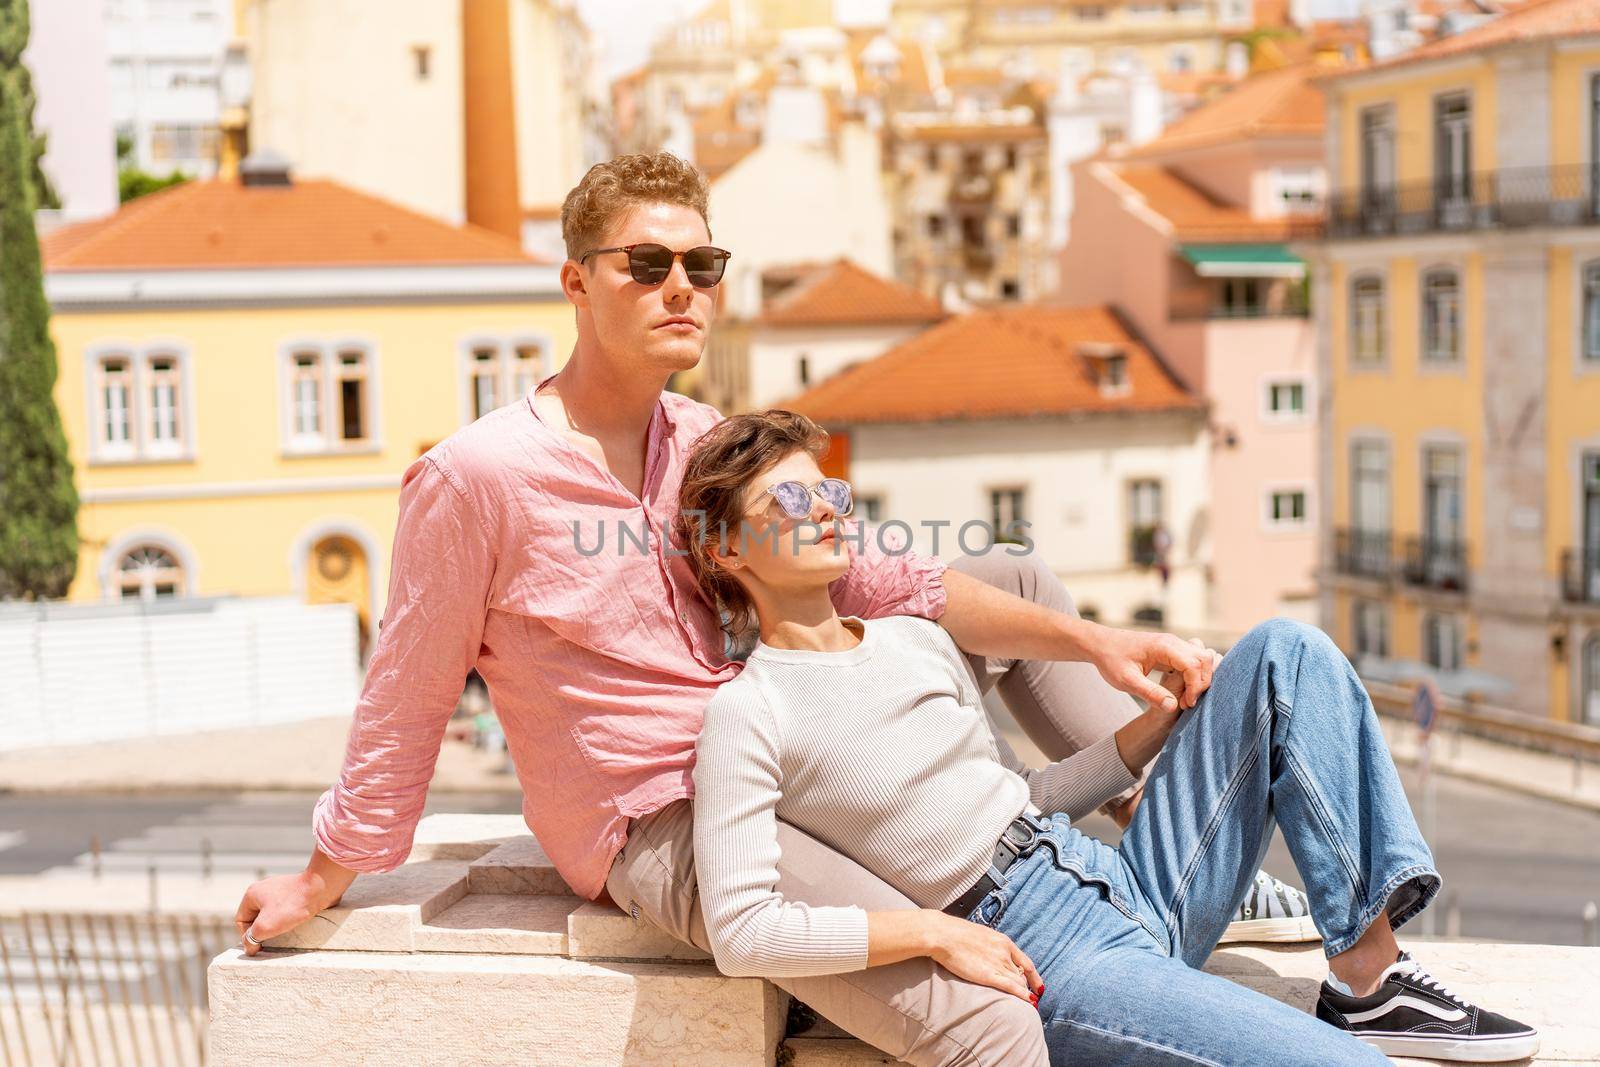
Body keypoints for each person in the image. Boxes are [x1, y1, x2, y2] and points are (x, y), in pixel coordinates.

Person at [233, 152, 1296, 1066]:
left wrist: (1095, 639)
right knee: (984, 1010)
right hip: (666, 811)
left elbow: (886, 574)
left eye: (702, 266)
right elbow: (409, 692)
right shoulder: (477, 478)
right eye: (646, 266)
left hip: (786, 740)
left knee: (1011, 578)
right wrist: (328, 872)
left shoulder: (703, 439)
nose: (679, 288)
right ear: (575, 281)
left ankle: (1150, 848)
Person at [679, 409, 1542, 1066]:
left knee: (1284, 652)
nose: (827, 509)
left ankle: (1368, 975)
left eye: (829, 489)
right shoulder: (749, 713)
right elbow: (744, 927)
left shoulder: (913, 638)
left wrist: (1145, 736)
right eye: (791, 498)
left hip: (1119, 877)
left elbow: (1018, 800)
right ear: (724, 548)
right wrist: (930, 935)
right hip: (1053, 956)